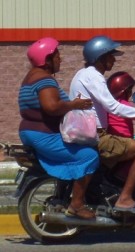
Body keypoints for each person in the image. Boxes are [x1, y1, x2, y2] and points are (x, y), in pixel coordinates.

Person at [69, 35, 135, 214]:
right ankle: (125, 198)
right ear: (100, 57)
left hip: (87, 133)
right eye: (110, 55)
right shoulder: (93, 76)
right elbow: (113, 107)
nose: (113, 59)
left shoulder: (83, 75)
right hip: (96, 136)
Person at [18, 37, 100, 219]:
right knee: (89, 156)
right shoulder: (44, 80)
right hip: (42, 134)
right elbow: (52, 107)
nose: (60, 59)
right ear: (46, 59)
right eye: (57, 56)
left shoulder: (31, 78)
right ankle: (77, 205)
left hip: (32, 132)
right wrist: (75, 105)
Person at [107, 71, 135, 138]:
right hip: (124, 141)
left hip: (112, 138)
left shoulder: (108, 103)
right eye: (129, 89)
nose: (130, 92)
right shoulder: (123, 104)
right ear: (124, 91)